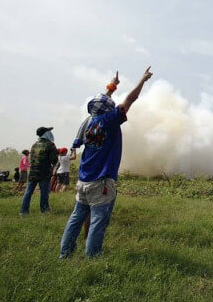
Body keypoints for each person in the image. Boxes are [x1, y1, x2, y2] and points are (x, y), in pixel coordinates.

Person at [59, 67, 153, 258]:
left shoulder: (88, 122)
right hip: (100, 182)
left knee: (76, 219)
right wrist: (142, 80)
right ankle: (93, 258)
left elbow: (100, 103)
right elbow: (130, 99)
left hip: (83, 181)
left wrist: (112, 86)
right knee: (98, 221)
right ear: (107, 110)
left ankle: (65, 254)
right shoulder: (108, 121)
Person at [19, 127, 58, 215]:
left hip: (33, 172)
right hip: (44, 173)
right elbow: (54, 160)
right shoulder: (50, 145)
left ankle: (23, 211)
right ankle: (44, 210)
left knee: (28, 192)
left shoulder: (34, 145)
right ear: (46, 134)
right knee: (44, 192)